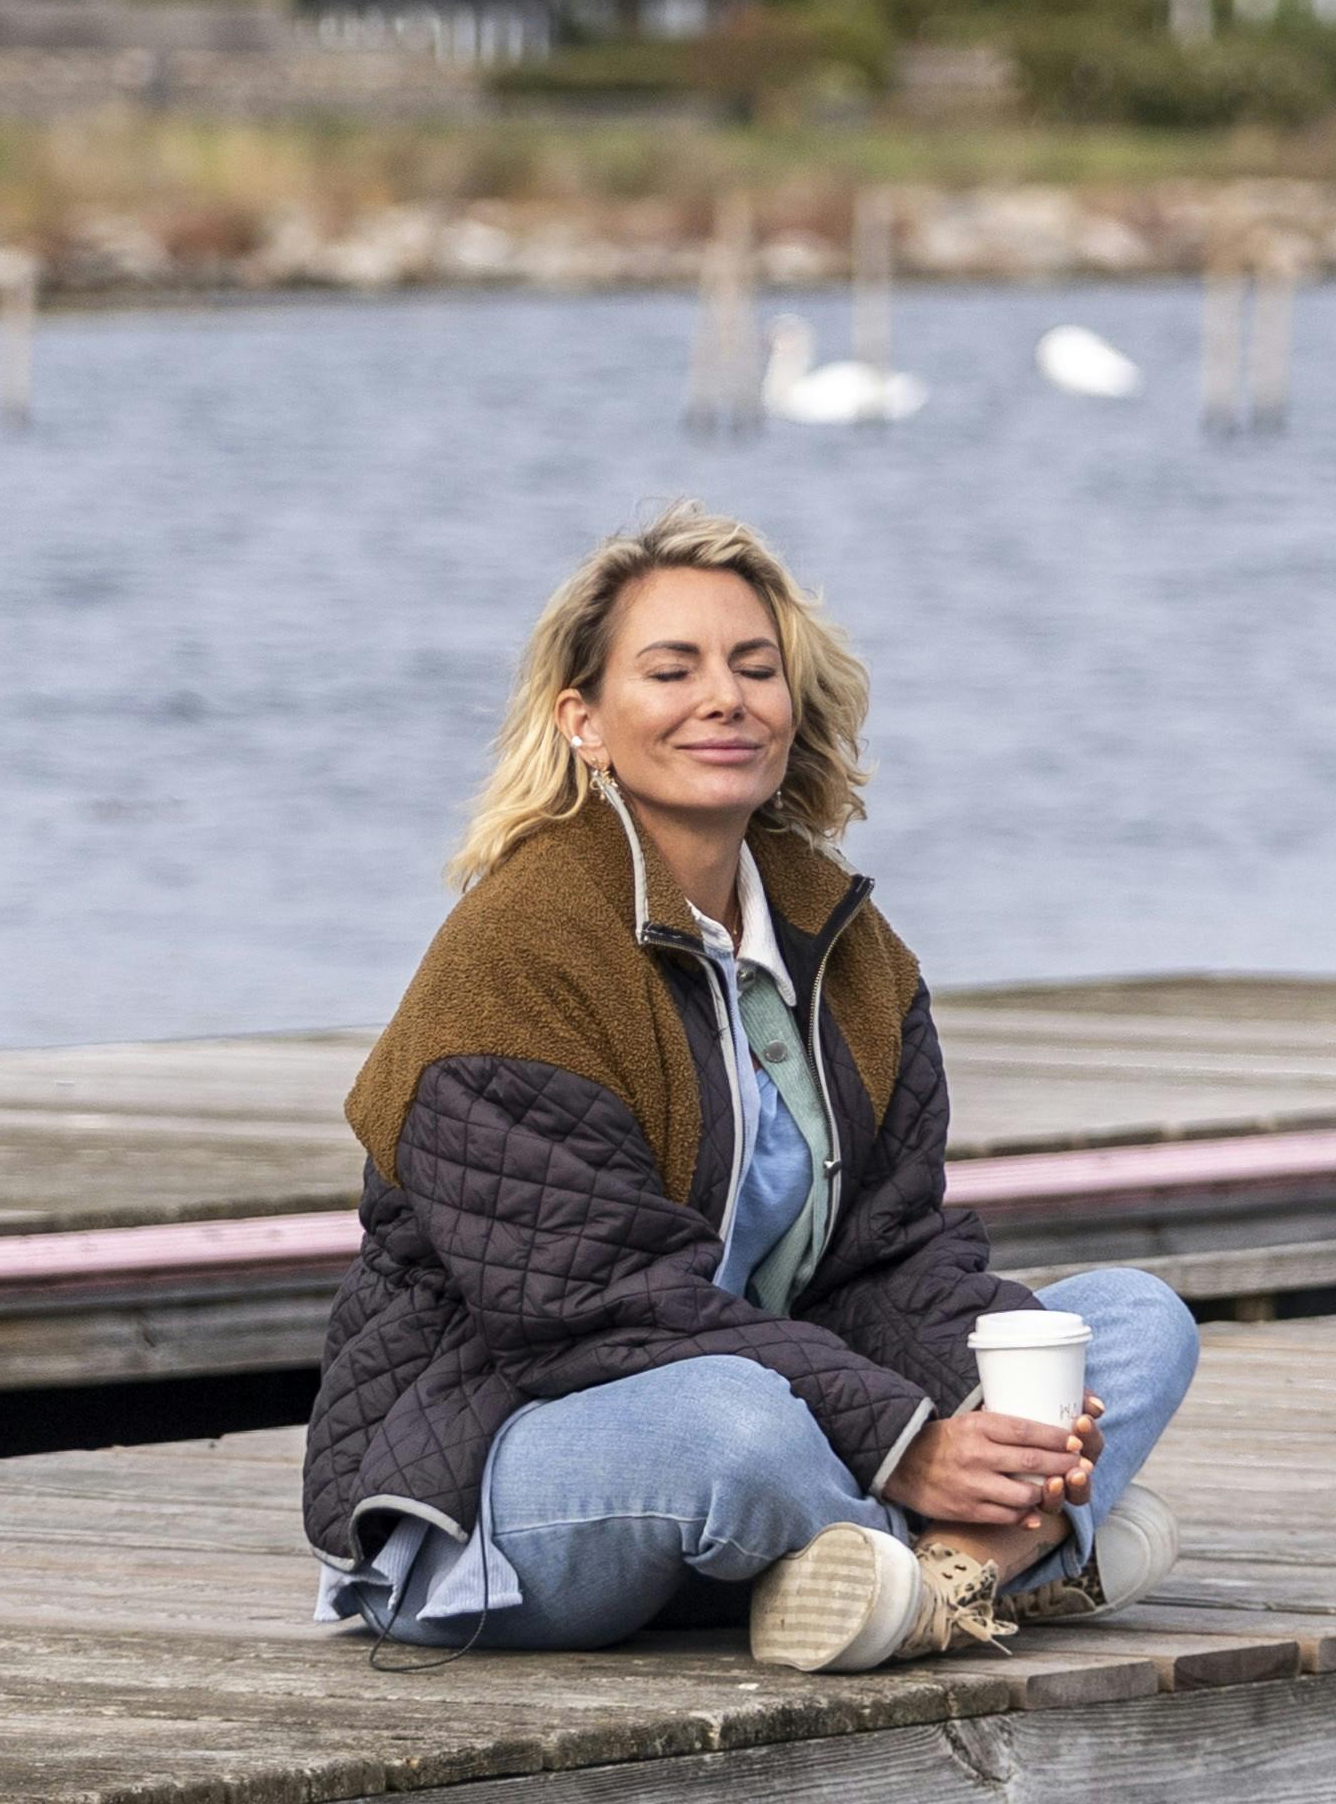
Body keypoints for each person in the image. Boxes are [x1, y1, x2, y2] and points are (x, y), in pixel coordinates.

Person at [305, 511, 1198, 1673]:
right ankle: (1015, 1553)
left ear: (793, 702)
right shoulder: (515, 957)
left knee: (1130, 1323)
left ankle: (925, 1576)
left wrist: (983, 1411)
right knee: (733, 1427)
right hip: (509, 1457)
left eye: (754, 666)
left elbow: (889, 1259)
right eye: (670, 670)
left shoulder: (849, 947)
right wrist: (908, 1444)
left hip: (794, 1403)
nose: (721, 697)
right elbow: (600, 1308)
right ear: (585, 721)